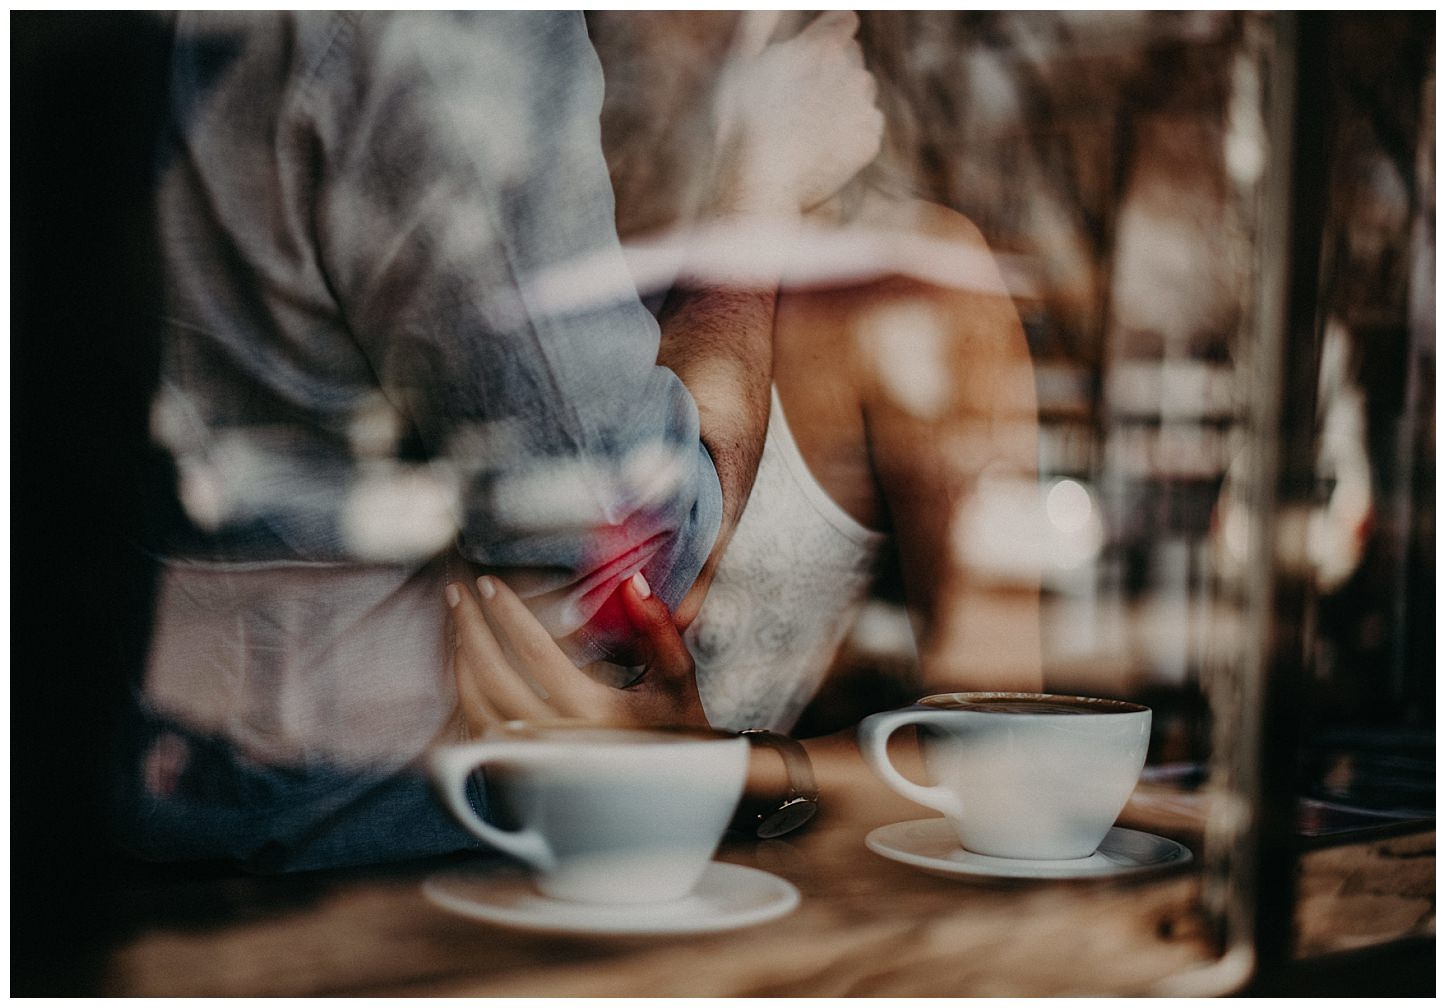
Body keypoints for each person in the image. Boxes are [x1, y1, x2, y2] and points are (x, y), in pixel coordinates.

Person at [122, 10, 882, 870]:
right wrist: (760, 196)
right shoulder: (454, 38)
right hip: (377, 878)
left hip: (170, 809)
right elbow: (631, 563)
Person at [448, 12, 1043, 822]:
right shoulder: (499, 242)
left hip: (724, 903)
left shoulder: (907, 283)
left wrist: (733, 774)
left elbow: (1005, 747)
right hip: (404, 883)